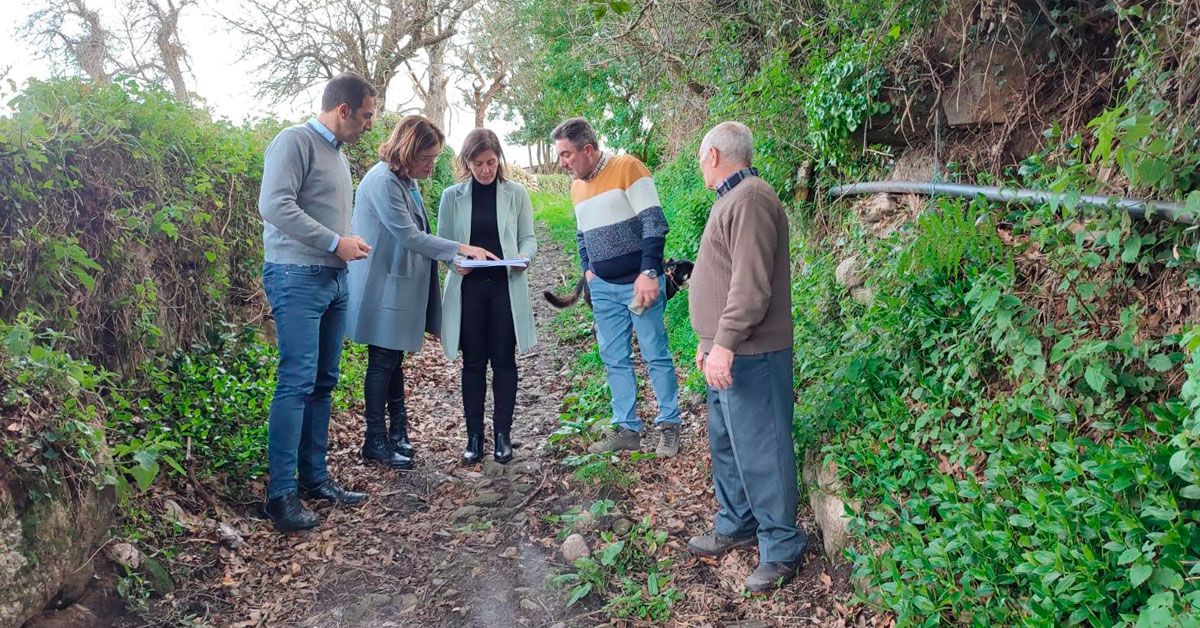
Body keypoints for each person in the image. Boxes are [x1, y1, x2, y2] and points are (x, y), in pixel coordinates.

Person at [685, 122, 807, 592]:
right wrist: (707, 341)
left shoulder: (751, 199)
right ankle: (737, 522)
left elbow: (751, 288)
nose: (700, 167)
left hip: (752, 353)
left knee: (763, 450)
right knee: (728, 446)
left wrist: (726, 342)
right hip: (729, 352)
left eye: (700, 159)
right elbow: (720, 277)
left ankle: (781, 547)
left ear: (712, 155)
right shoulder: (731, 200)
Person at [258, 73, 377, 532]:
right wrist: (334, 242)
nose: (369, 124)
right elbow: (274, 205)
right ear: (343, 110)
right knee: (296, 381)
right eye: (366, 115)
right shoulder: (295, 142)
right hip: (296, 277)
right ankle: (281, 495)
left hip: (334, 278)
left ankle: (314, 478)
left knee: (324, 380)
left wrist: (346, 244)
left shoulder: (338, 155)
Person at [345, 116, 498, 470]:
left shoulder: (405, 179)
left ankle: (398, 433)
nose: (432, 164)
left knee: (393, 359)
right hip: (381, 286)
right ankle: (375, 439)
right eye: (427, 158)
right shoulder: (383, 181)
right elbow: (409, 236)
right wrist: (462, 248)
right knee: (382, 361)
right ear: (408, 151)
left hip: (398, 285)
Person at [550, 117, 682, 458]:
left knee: (655, 354)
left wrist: (650, 271)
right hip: (604, 288)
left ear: (588, 149)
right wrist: (588, 272)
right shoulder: (577, 186)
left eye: (566, 154)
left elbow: (655, 222)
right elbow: (581, 236)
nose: (562, 162)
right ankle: (627, 429)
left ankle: (669, 427)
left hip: (639, 285)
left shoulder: (628, 167)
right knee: (614, 359)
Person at [437, 128, 538, 464]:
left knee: (505, 360)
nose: (485, 169)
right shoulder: (452, 196)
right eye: (478, 163)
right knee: (473, 363)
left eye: (491, 162)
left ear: (499, 159)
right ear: (467, 162)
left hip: (505, 287)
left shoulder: (516, 193)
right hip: (469, 291)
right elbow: (443, 244)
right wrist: (455, 262)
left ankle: (503, 436)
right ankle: (474, 437)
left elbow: (529, 238)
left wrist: (525, 257)